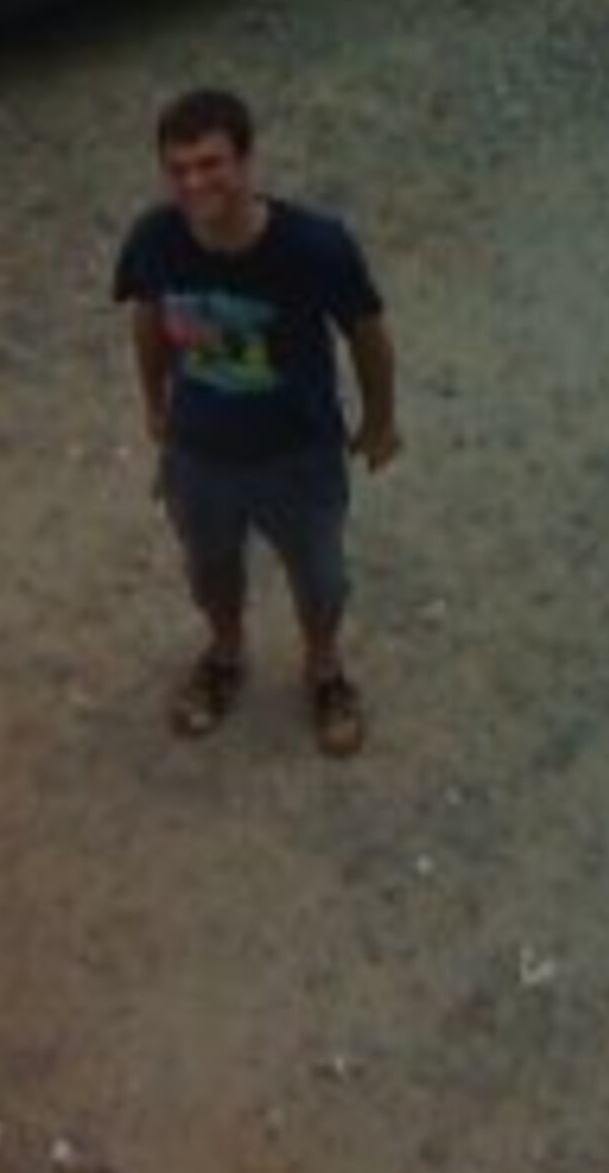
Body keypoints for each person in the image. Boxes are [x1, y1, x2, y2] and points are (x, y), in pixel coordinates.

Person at [113, 86, 400, 756]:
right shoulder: (155, 238)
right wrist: (154, 403)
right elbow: (148, 318)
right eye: (178, 168)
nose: (194, 182)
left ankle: (326, 672)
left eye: (211, 163)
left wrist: (381, 421)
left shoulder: (315, 246)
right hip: (199, 454)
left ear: (246, 162)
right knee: (210, 569)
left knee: (319, 576)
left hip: (298, 456)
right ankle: (224, 657)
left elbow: (366, 331)